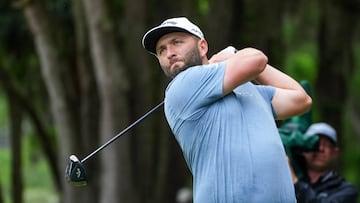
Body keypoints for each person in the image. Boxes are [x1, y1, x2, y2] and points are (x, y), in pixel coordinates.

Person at [142, 17, 312, 202]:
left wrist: (237, 61)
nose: (169, 53)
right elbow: (256, 59)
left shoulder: (249, 90)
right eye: (162, 50)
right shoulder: (182, 86)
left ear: (202, 47)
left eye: (176, 42)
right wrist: (234, 55)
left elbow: (301, 99)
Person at [290, 122, 358, 202]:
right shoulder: (288, 183)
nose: (320, 149)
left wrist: (296, 183)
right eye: (314, 144)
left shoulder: (346, 190)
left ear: (335, 152)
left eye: (326, 145)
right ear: (303, 150)